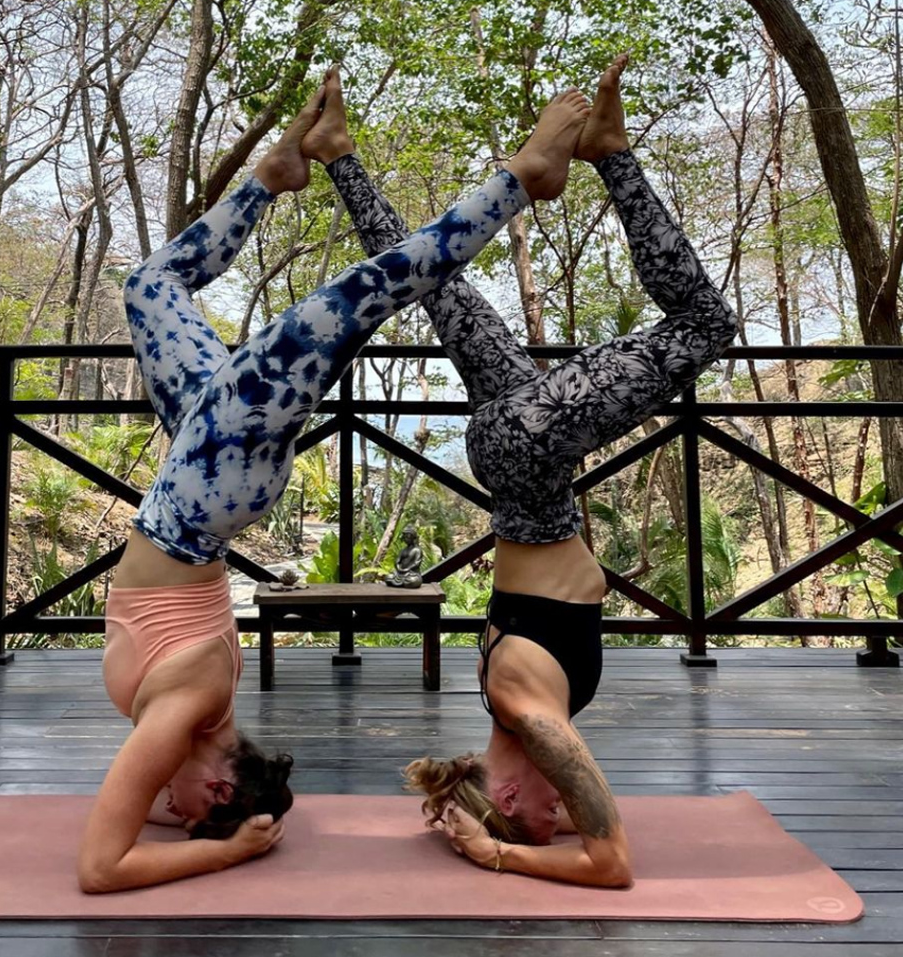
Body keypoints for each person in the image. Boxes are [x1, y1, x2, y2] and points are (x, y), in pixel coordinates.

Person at [77, 69, 593, 893]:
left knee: (150, 288)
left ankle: (273, 177)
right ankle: (520, 180)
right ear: (220, 791)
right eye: (183, 812)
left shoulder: (192, 721)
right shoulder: (187, 712)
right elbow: (102, 868)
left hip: (196, 481)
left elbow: (124, 848)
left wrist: (223, 840)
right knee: (355, 297)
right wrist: (230, 848)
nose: (162, 808)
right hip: (207, 485)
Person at [307, 58, 738, 887]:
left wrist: (496, 850)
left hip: (530, 457)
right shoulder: (505, 707)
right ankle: (337, 155)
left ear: (505, 792)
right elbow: (572, 824)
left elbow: (611, 863)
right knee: (432, 284)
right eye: (554, 827)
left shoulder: (527, 714)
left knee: (703, 325)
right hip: (521, 468)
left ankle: (606, 155)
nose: (559, 821)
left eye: (542, 821)